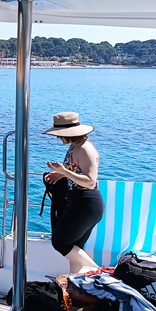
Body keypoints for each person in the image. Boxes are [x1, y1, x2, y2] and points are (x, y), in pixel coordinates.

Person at [43, 112, 105, 273]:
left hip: (86, 204)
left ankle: (101, 272)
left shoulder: (85, 149)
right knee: (75, 247)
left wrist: (64, 171)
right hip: (80, 203)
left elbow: (90, 181)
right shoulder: (75, 146)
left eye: (59, 134)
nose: (57, 138)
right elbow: (77, 171)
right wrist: (61, 174)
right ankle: (75, 285)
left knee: (60, 243)